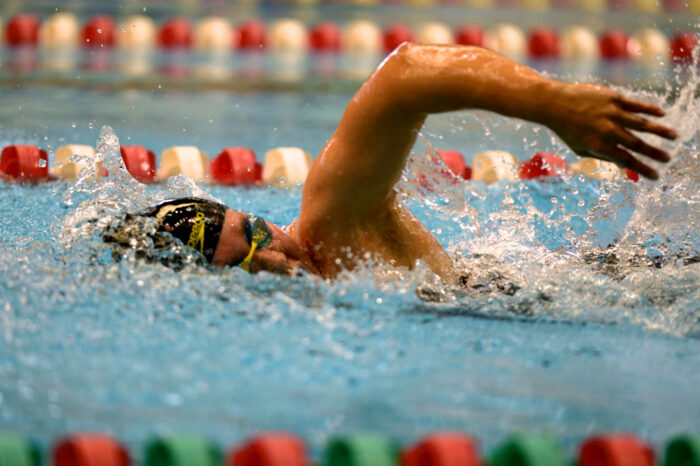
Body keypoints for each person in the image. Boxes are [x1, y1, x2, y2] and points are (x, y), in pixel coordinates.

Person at [106, 43, 678, 282]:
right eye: (252, 263)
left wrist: (552, 103)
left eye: (259, 232)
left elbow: (404, 75)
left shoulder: (333, 228)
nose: (283, 255)